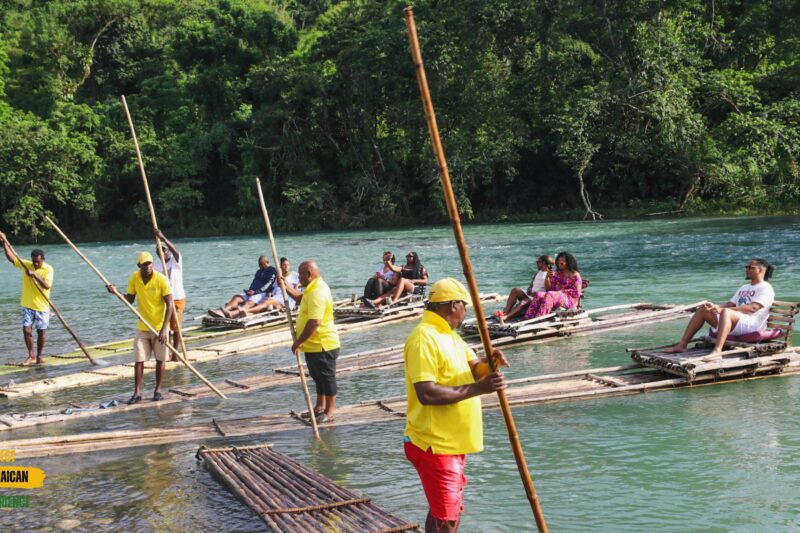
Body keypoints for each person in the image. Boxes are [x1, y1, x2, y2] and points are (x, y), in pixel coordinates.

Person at [403, 277, 509, 532]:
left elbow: (474, 368)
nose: (466, 313)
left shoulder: (450, 336)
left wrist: (489, 363)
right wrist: (479, 389)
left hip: (450, 440)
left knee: (444, 510)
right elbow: (426, 393)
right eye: (465, 307)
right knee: (447, 519)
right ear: (453, 305)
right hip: (434, 443)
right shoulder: (424, 338)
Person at [665, 258, 775, 356]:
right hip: (735, 322)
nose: (746, 269)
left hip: (752, 325)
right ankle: (682, 345)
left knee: (726, 312)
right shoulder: (745, 287)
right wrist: (715, 306)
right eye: (746, 267)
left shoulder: (765, 288)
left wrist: (722, 310)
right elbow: (729, 305)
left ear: (761, 270)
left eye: (750, 267)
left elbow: (752, 308)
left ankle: (717, 350)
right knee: (703, 309)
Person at [107, 252, 173, 404]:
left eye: (150, 263)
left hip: (159, 327)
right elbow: (129, 299)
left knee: (160, 359)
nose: (148, 266)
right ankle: (137, 393)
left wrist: (164, 329)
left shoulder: (161, 279)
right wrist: (116, 293)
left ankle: (157, 391)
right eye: (145, 264)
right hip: (142, 327)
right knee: (139, 359)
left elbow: (170, 304)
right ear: (139, 266)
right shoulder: (134, 278)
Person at [290, 260, 340, 423]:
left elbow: (314, 322)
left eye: (300, 275)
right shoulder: (311, 289)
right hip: (311, 346)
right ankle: (319, 407)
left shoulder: (318, 291)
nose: (298, 278)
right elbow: (299, 299)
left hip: (323, 344)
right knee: (317, 377)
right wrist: (284, 286)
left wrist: (298, 342)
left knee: (327, 378)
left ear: (309, 275)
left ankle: (329, 412)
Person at [0, 232, 54, 366]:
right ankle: (31, 356)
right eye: (34, 262)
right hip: (27, 304)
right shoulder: (27, 265)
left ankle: (39, 356)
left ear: (43, 259)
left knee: (41, 332)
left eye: (38, 262)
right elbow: (12, 258)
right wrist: (4, 241)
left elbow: (46, 286)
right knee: (26, 330)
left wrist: (34, 275)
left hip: (41, 306)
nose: (35, 264)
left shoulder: (48, 269)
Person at [209, 256, 277, 318]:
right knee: (236, 297)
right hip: (252, 291)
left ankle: (232, 313)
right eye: (259, 264)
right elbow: (254, 282)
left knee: (250, 302)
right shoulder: (259, 271)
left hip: (262, 293)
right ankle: (222, 312)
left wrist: (256, 292)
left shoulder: (271, 270)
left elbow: (269, 284)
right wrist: (249, 290)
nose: (260, 266)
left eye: (262, 264)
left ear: (267, 262)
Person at [153, 228, 185, 361]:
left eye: (164, 250)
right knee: (165, 326)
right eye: (159, 250)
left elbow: (176, 251)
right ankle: (167, 351)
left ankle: (175, 353)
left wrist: (162, 237)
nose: (162, 252)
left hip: (177, 297)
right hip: (164, 299)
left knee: (176, 326)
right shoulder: (155, 264)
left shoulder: (175, 261)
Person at [522, 251, 583, 319]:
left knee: (551, 294)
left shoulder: (575, 275)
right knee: (539, 294)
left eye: (562, 260)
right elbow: (548, 289)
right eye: (558, 260)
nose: (560, 262)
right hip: (554, 296)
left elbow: (576, 293)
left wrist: (560, 292)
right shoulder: (557, 274)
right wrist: (547, 277)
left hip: (569, 300)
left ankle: (539, 319)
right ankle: (528, 317)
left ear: (568, 262)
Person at [496, 255, 554, 320]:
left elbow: (549, 290)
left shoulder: (550, 274)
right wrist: (529, 289)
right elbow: (531, 285)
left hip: (538, 297)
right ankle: (506, 312)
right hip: (530, 294)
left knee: (523, 302)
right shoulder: (538, 273)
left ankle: (507, 317)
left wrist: (547, 277)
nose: (536, 264)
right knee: (515, 290)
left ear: (543, 263)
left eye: (538, 262)